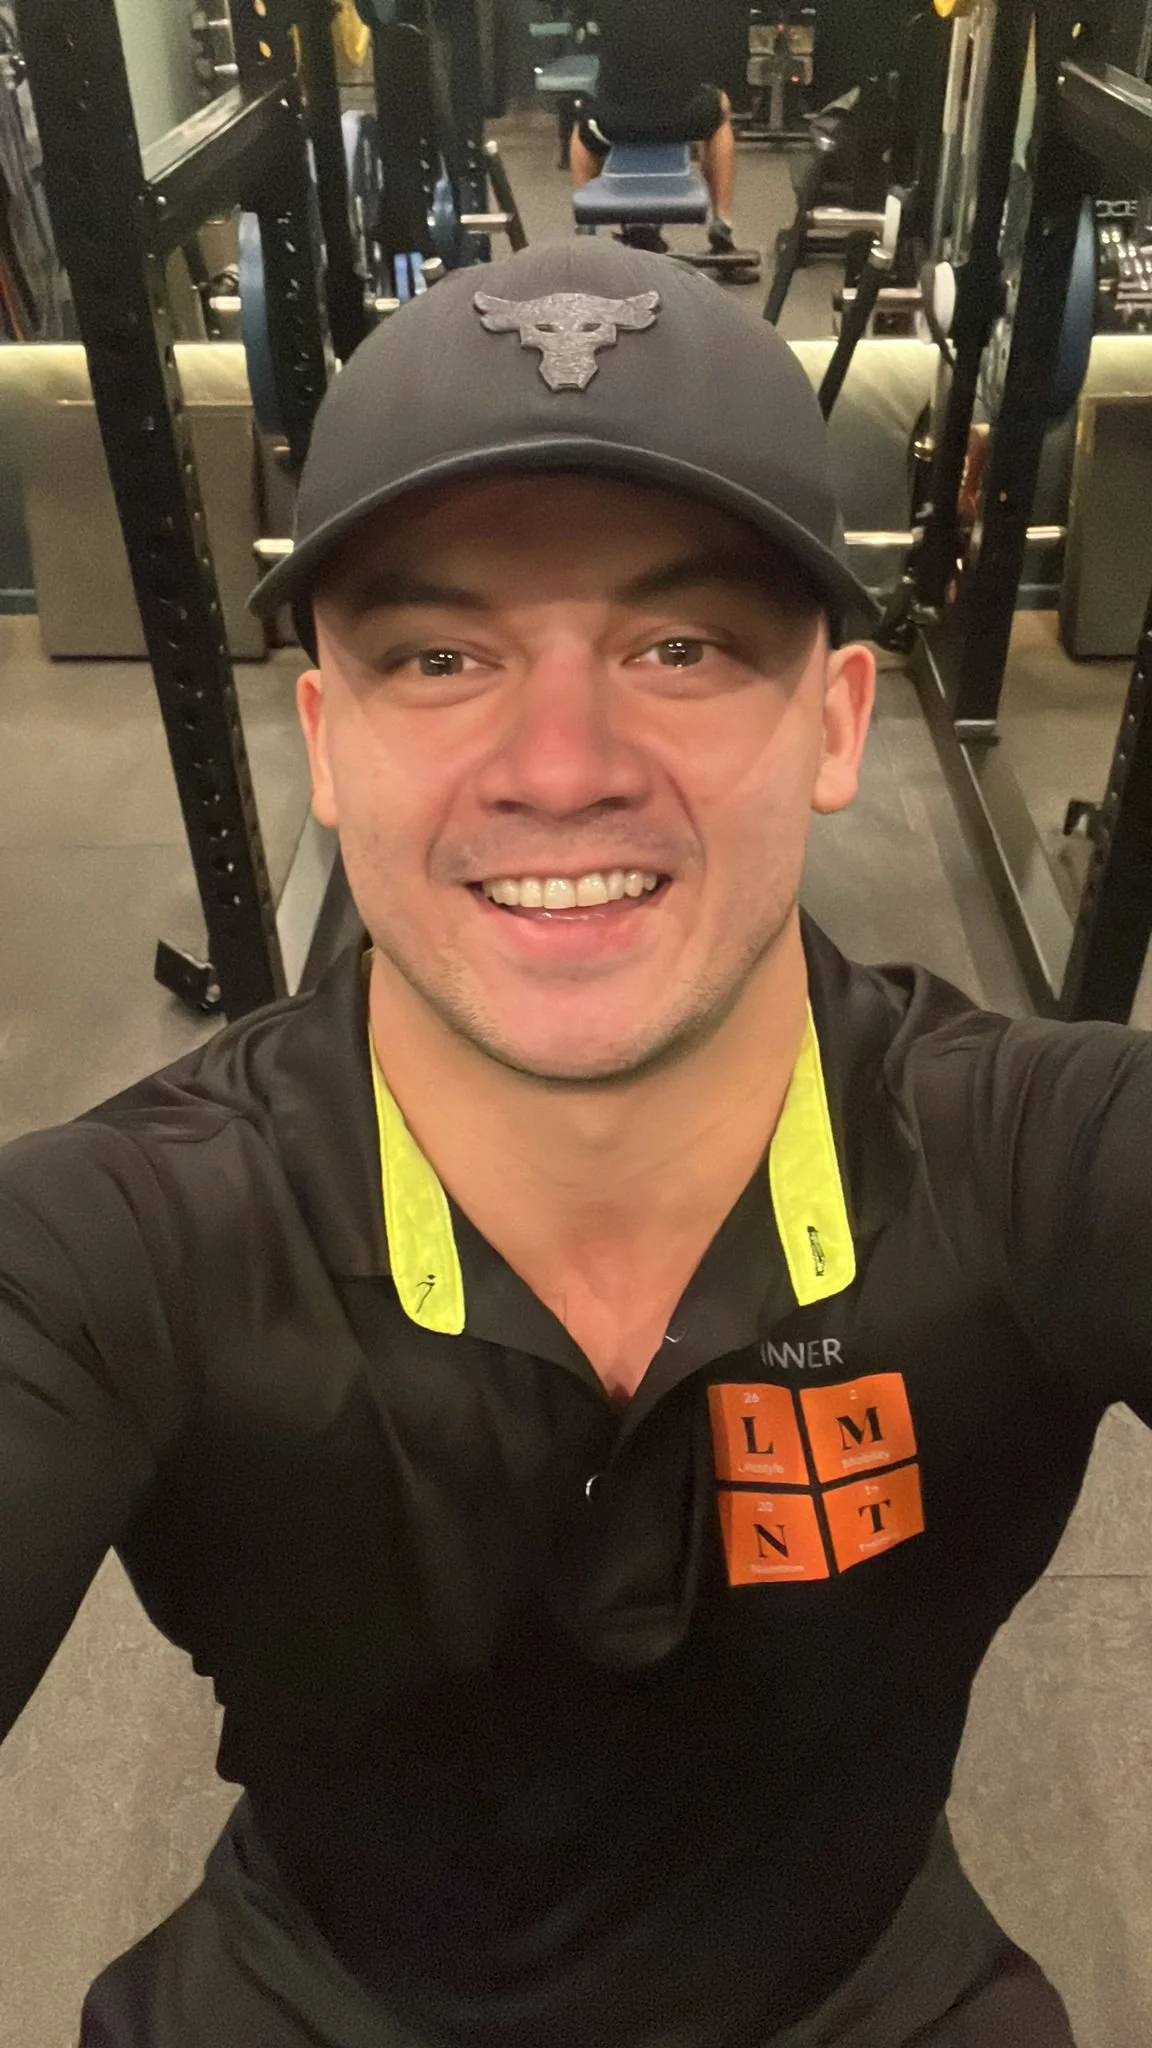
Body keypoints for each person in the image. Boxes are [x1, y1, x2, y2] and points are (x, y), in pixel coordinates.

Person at [2, 235, 1143, 2048]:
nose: (558, 762)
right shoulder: (111, 1244)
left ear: (837, 719)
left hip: (860, 1988)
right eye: (441, 654)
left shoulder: (1034, 1161)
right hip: (329, 1991)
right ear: (330, 740)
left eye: (676, 645)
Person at [568, 0, 738, 254]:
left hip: (616, 123)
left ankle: (587, 226)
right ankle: (722, 221)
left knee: (582, 131)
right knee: (720, 112)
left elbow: (581, 29)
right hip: (684, 120)